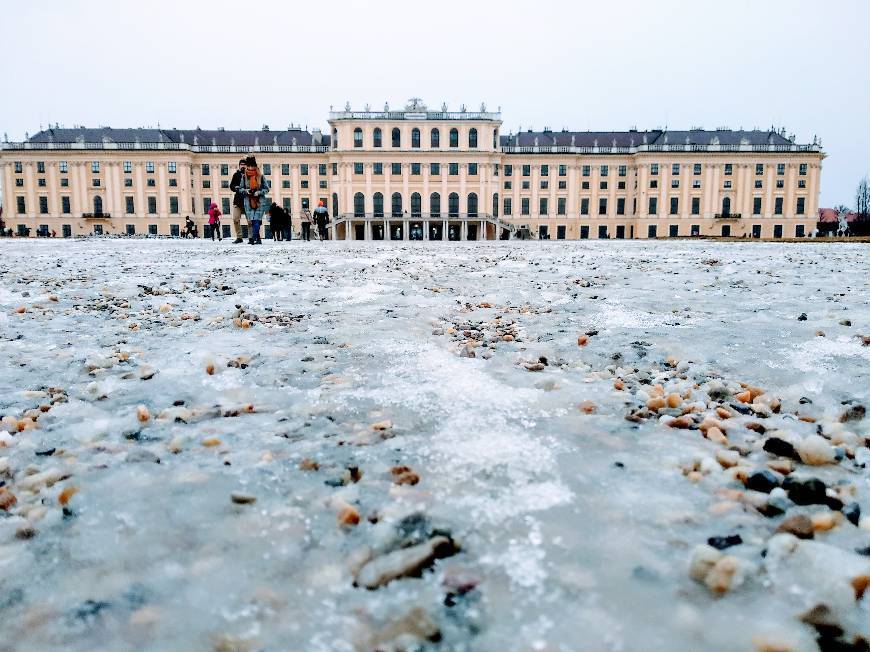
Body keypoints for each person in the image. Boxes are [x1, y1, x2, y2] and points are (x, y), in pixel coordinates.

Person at [238, 156, 269, 245]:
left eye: (252, 166)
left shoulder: (260, 176)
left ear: (255, 166)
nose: (251, 168)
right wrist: (245, 191)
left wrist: (259, 192)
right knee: (252, 221)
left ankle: (255, 236)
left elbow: (267, 189)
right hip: (248, 201)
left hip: (259, 201)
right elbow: (240, 189)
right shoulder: (244, 177)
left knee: (256, 220)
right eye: (249, 166)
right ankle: (258, 239)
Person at [229, 158, 247, 243]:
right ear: (239, 165)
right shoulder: (236, 175)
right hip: (238, 200)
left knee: (250, 220)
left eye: (244, 164)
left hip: (248, 200)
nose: (243, 166)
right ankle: (239, 237)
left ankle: (251, 237)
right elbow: (231, 186)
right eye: (241, 164)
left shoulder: (250, 175)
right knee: (235, 219)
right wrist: (235, 188)